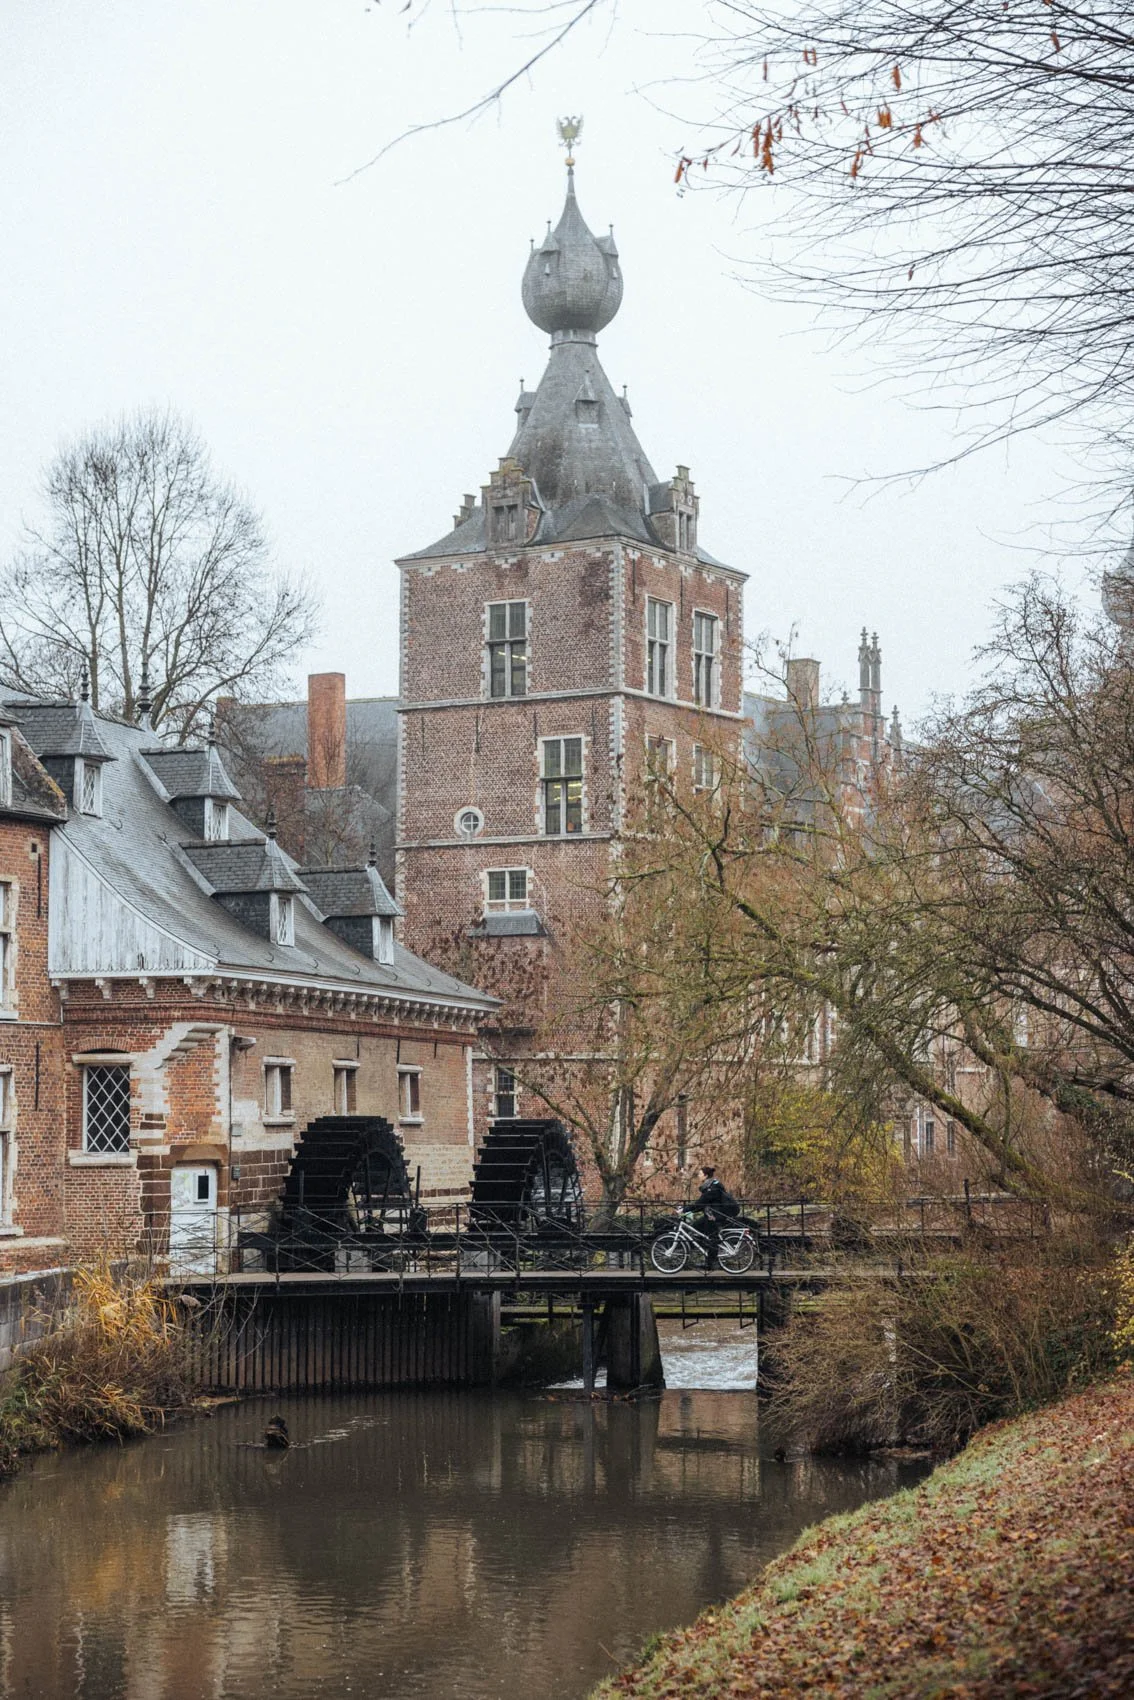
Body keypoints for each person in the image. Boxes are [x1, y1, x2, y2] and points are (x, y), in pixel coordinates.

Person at [690, 1165, 738, 1269]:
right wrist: (689, 1210)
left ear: (705, 1175)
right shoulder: (710, 1186)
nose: (698, 1175)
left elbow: (701, 1202)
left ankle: (710, 1262)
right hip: (711, 1215)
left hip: (715, 1216)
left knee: (711, 1238)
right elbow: (703, 1203)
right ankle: (710, 1255)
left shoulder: (712, 1188)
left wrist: (685, 1210)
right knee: (696, 1228)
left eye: (700, 1174)